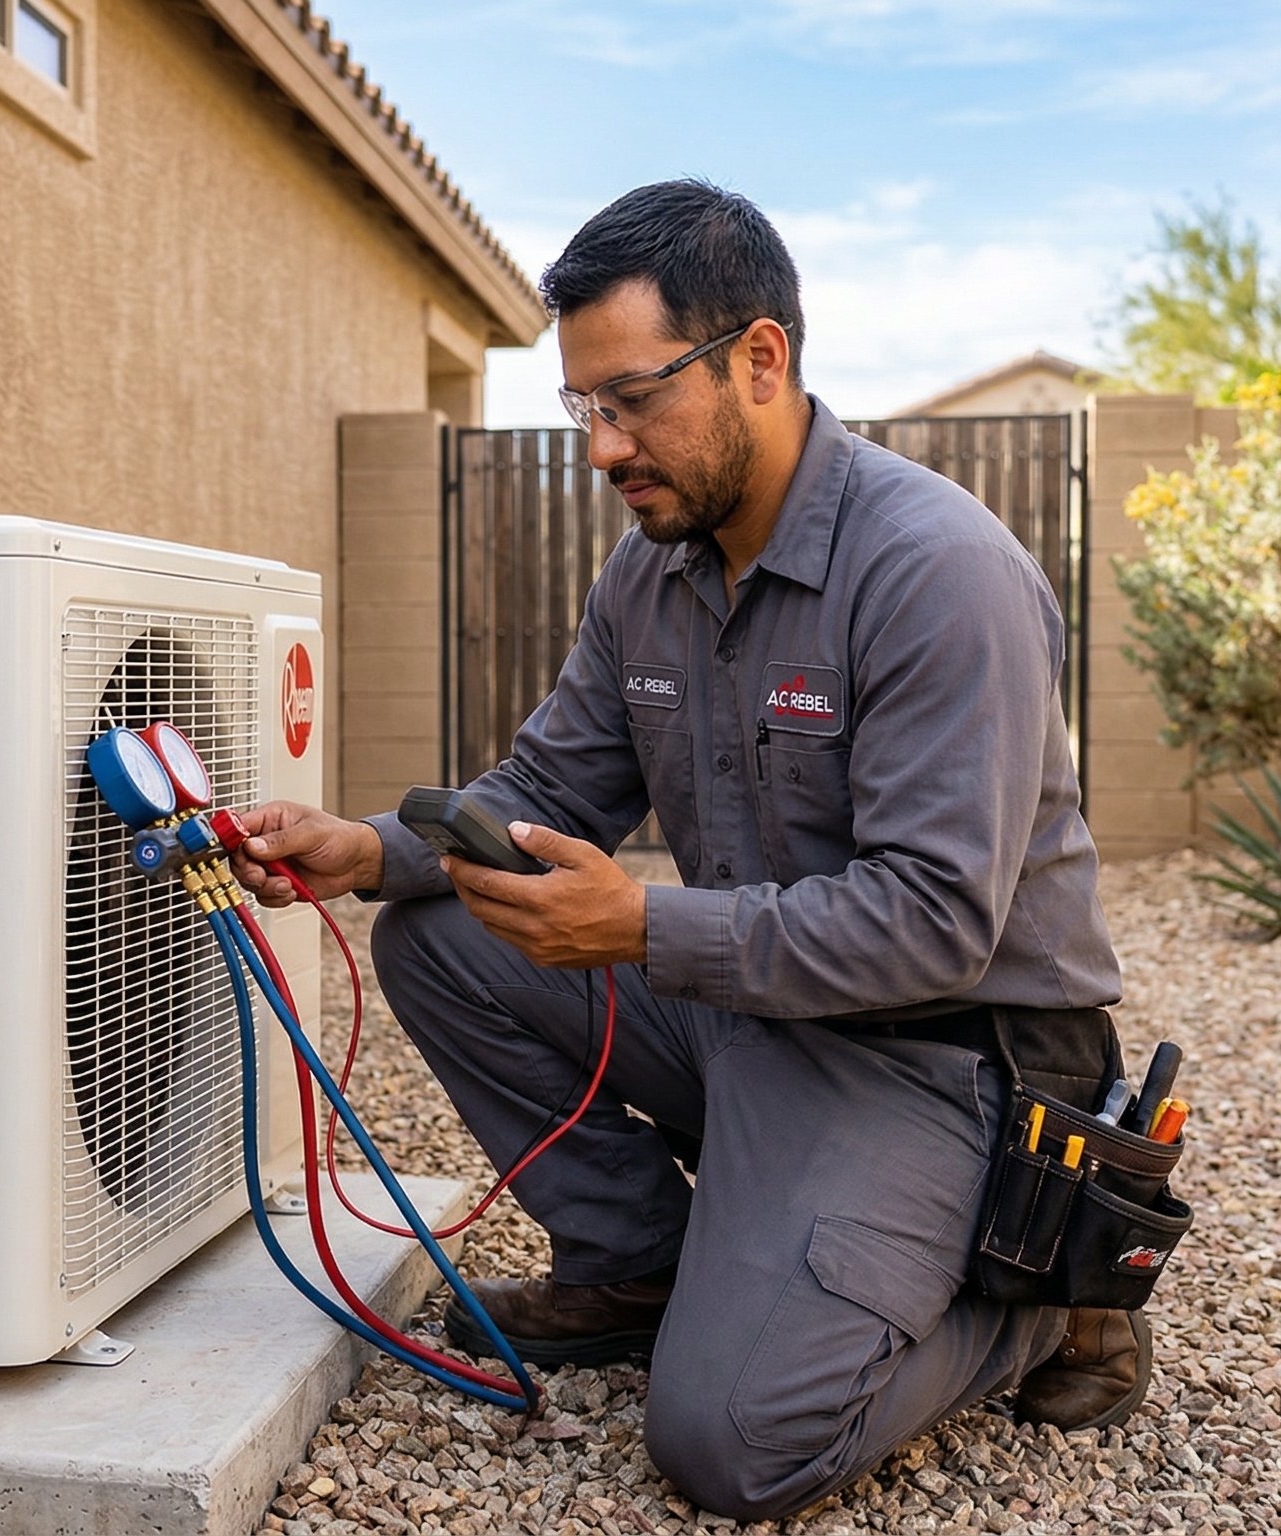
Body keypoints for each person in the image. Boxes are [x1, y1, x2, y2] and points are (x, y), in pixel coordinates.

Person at [226, 180, 1143, 1519]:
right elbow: (552, 786)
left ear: (759, 360)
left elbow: (935, 921)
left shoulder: (937, 571)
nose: (603, 446)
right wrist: (358, 849)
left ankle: (1044, 1298)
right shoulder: (649, 574)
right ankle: (640, 1264)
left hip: (941, 1058)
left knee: (735, 1447)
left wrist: (645, 929)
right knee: (438, 931)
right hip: (752, 1011)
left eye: (634, 397)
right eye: (584, 407)